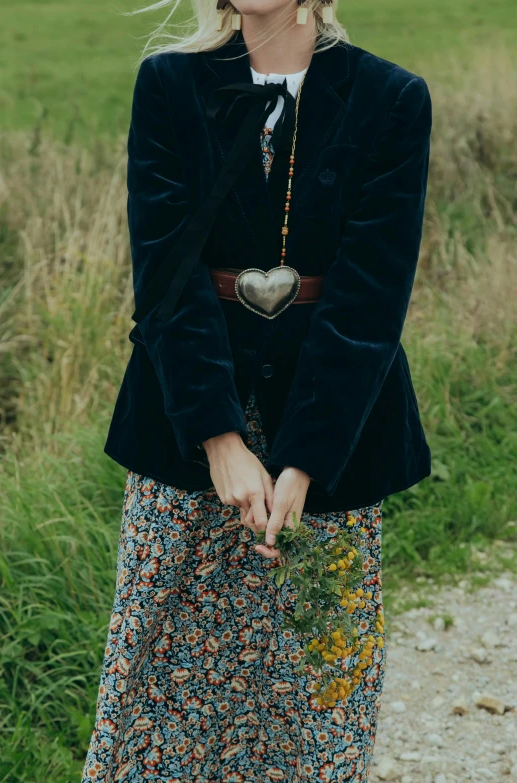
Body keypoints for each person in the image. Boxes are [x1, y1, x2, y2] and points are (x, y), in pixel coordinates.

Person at [82, 0, 432, 779]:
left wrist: (303, 461)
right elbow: (165, 279)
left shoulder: (392, 98)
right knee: (159, 682)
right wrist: (221, 439)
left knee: (312, 693)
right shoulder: (169, 85)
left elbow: (371, 298)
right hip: (186, 425)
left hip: (334, 436)